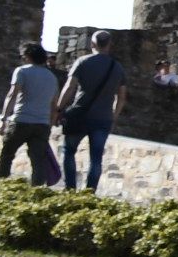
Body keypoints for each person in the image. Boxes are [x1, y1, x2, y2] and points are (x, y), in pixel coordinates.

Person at [51, 30, 124, 192]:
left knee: (69, 151)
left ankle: (70, 189)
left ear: (92, 44)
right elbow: (121, 97)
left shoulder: (83, 62)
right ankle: (89, 193)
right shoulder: (117, 67)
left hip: (80, 115)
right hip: (103, 118)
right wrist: (114, 117)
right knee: (96, 159)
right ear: (110, 45)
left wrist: (58, 109)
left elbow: (70, 87)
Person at [0, 43, 58, 184]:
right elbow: (54, 105)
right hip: (42, 123)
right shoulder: (52, 77)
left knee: (7, 155)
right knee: (38, 162)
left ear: (28, 56)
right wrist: (50, 124)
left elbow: (12, 95)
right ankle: (37, 192)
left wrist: (4, 119)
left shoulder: (22, 71)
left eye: (22, 56)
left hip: (21, 120)